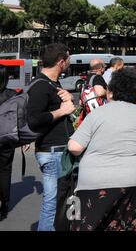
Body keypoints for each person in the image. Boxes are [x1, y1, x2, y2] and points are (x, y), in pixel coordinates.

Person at [68, 69, 136, 231]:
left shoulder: (96, 115)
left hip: (93, 184)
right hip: (133, 182)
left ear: (110, 93)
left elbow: (74, 147)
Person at [27, 43, 75, 231]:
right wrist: (61, 111)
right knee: (53, 201)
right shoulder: (40, 86)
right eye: (68, 58)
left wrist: (68, 101)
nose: (69, 62)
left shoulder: (52, 84)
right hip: (53, 151)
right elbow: (34, 119)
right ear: (61, 62)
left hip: (60, 150)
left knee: (65, 198)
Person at [0, 65, 31, 221]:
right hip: (6, 138)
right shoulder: (13, 95)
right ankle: (4, 206)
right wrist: (24, 139)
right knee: (5, 172)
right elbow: (21, 118)